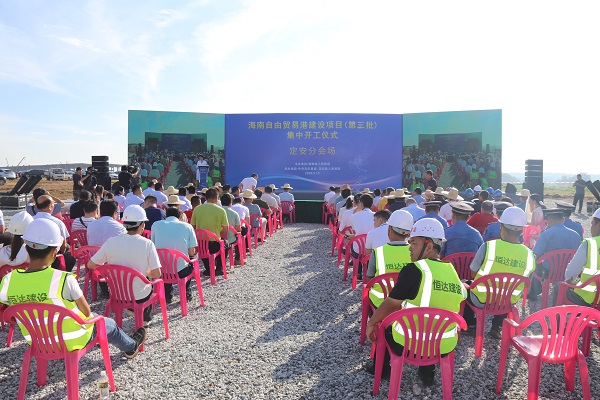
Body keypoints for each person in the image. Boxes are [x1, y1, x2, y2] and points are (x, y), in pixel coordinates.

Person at [0, 219, 147, 359]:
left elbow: (7, 314)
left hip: (37, 341)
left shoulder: (8, 280)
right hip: (72, 339)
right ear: (54, 252)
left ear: (26, 248)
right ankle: (131, 346)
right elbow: (86, 312)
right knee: (108, 323)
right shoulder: (64, 279)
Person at [365, 218, 466, 385]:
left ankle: (381, 370)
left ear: (429, 246)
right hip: (444, 345)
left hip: (409, 343)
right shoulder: (452, 271)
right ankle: (427, 374)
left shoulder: (414, 270)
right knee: (433, 321)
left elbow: (391, 304)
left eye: (414, 243)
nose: (409, 247)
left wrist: (371, 322)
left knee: (385, 326)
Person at [464, 206, 535, 338]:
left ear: (501, 226)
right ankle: (497, 326)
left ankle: (471, 325)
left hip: (481, 298)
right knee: (505, 292)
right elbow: (527, 282)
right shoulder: (530, 254)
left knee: (465, 285)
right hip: (508, 301)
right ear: (522, 230)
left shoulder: (488, 246)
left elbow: (473, 272)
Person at [88, 205, 162, 324]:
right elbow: (157, 274)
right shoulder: (147, 244)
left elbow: (91, 264)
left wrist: (108, 272)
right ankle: (144, 322)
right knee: (147, 284)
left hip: (117, 294)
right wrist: (144, 271)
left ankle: (132, 310)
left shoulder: (111, 242)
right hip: (139, 296)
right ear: (142, 225)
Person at [529, 208, 582, 300]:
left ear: (549, 220)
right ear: (563, 219)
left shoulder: (546, 234)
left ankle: (535, 291)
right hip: (569, 272)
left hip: (550, 272)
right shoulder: (575, 235)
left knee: (536, 262)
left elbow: (536, 254)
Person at [151, 206, 198, 303]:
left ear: (166, 216)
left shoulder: (155, 225)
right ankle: (186, 293)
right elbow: (191, 251)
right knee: (189, 262)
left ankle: (167, 295)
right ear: (180, 217)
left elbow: (153, 246)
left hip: (162, 270)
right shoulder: (187, 226)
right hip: (181, 270)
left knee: (165, 262)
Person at [365, 209, 413, 294]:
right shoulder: (415, 252)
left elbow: (369, 279)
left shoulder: (377, 252)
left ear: (389, 228)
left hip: (380, 299)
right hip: (407, 300)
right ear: (408, 233)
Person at [562, 208, 600, 305]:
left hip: (588, 298)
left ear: (598, 225)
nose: (591, 228)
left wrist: (570, 280)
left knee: (559, 287)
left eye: (592, 224)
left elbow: (571, 272)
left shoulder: (590, 244)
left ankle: (560, 315)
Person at [190, 188, 230, 276]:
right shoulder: (221, 210)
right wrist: (218, 233)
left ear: (206, 197)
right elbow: (225, 229)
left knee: (204, 250)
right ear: (216, 198)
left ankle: (208, 269)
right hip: (215, 244)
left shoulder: (197, 209)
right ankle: (218, 269)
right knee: (226, 245)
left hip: (200, 243)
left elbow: (192, 226)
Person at [33, 194, 75, 272]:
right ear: (49, 206)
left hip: (32, 257)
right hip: (51, 259)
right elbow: (63, 245)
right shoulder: (58, 222)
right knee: (70, 259)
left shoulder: (30, 220)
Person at [220, 193, 243, 266]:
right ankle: (237, 259)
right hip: (230, 239)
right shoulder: (234, 213)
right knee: (238, 237)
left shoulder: (217, 212)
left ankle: (218, 260)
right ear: (231, 203)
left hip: (218, 238)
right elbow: (238, 229)